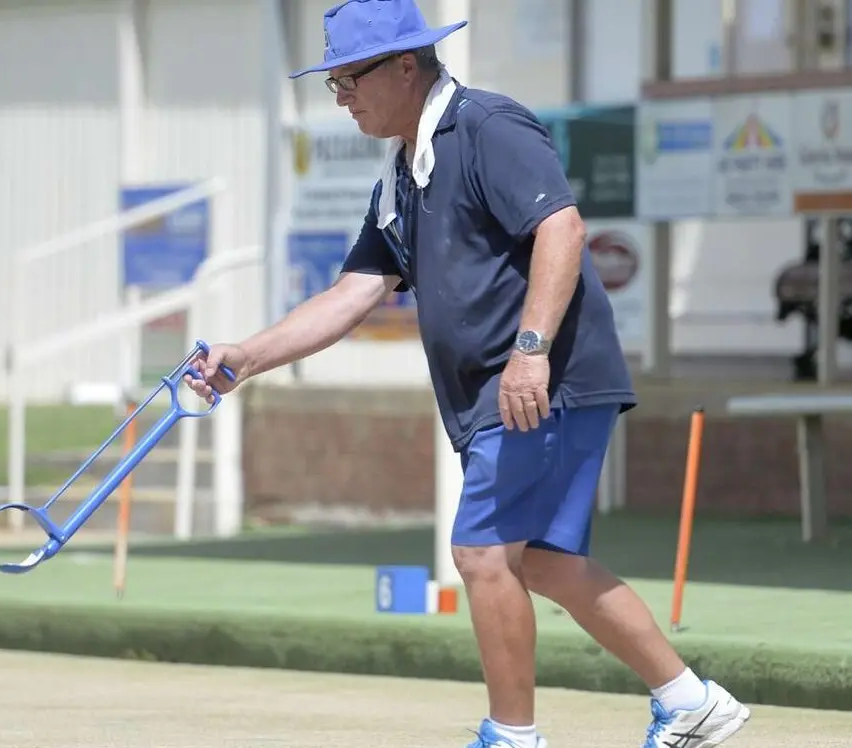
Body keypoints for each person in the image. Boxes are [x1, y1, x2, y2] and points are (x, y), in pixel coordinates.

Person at [184, 1, 751, 747]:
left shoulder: (488, 126)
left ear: (406, 66)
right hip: (510, 388)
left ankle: (513, 737)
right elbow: (353, 291)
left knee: (482, 553)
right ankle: (692, 703)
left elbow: (563, 228)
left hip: (543, 380)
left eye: (349, 79)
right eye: (333, 85)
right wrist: (247, 357)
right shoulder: (399, 174)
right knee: (544, 563)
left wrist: (531, 349)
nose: (342, 97)